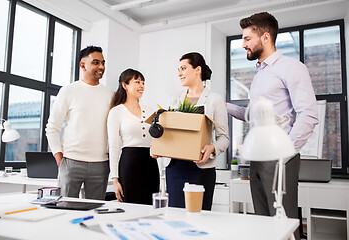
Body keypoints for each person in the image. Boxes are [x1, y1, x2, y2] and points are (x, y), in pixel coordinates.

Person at [226, 12, 318, 239]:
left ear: (265, 37)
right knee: (264, 224)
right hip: (258, 158)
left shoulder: (291, 68)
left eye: (248, 38)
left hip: (280, 158)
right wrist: (222, 105)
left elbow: (309, 115)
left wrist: (284, 153)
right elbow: (253, 116)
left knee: (283, 223)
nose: (243, 44)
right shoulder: (260, 75)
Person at [46, 46, 113, 200]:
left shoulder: (110, 95)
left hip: (101, 164)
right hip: (71, 162)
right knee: (65, 210)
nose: (101, 67)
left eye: (103, 63)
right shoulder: (68, 91)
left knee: (94, 212)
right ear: (82, 65)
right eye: (96, 62)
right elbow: (52, 128)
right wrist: (60, 159)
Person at [164, 52, 230, 210]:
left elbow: (224, 138)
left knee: (199, 215)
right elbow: (169, 131)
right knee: (175, 215)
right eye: (178, 69)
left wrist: (212, 148)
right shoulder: (174, 99)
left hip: (201, 168)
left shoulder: (215, 100)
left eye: (183, 68)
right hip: (175, 167)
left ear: (197, 70)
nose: (179, 73)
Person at [108, 68, 159, 205]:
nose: (141, 85)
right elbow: (113, 146)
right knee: (131, 206)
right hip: (129, 164)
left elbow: (157, 139)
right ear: (125, 85)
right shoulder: (116, 112)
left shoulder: (150, 111)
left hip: (150, 164)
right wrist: (115, 179)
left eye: (143, 82)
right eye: (137, 82)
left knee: (150, 208)